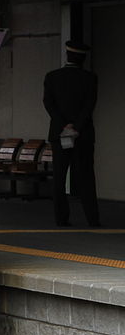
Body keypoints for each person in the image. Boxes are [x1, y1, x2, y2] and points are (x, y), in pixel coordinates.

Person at [42, 40, 99, 227]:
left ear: (67, 55)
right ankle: (92, 218)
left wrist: (64, 125)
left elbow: (49, 104)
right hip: (83, 135)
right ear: (83, 58)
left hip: (59, 134)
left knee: (59, 177)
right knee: (86, 176)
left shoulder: (52, 77)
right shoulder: (90, 78)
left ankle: (61, 218)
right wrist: (76, 127)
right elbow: (89, 106)